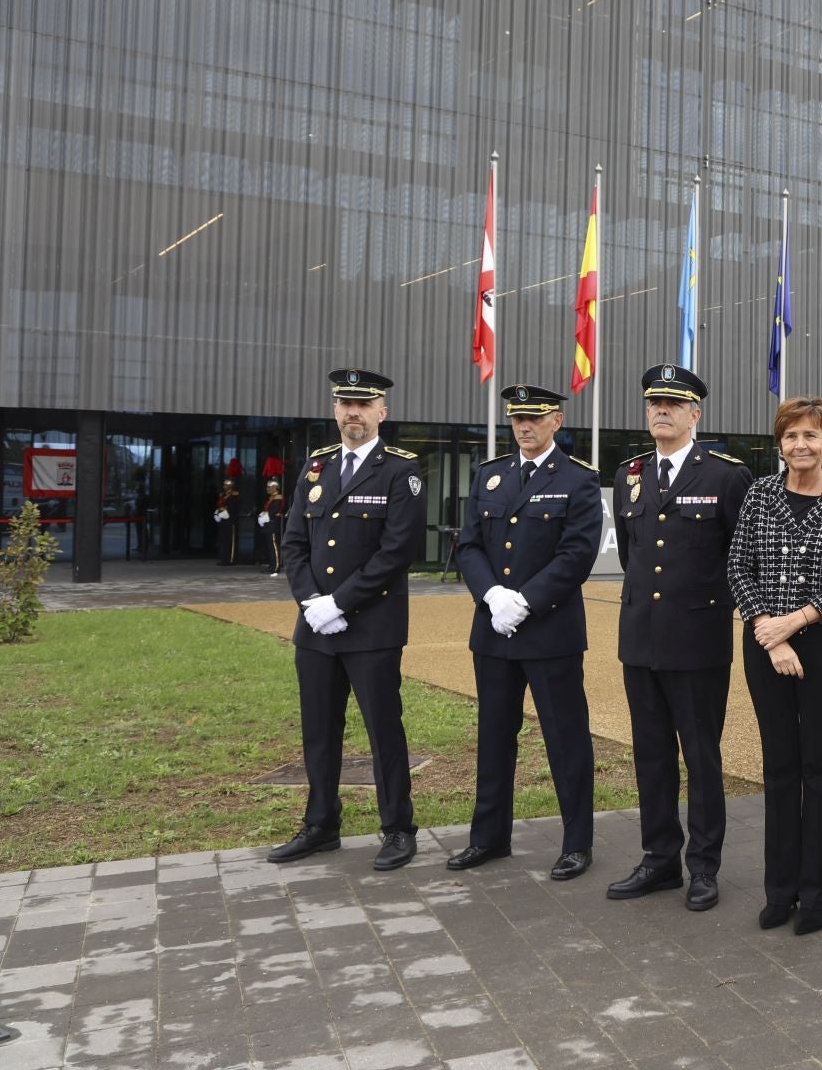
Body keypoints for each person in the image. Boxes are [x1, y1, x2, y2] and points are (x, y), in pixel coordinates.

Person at [606, 364, 753, 911]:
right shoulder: (631, 473)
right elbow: (631, 553)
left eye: (673, 404)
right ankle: (659, 859)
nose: (661, 412)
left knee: (701, 756)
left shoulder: (724, 475)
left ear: (696, 414)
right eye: (654, 404)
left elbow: (741, 558)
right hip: (640, 640)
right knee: (651, 756)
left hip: (697, 641)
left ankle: (704, 866)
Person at [727, 396, 822, 935]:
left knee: (820, 766)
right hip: (766, 646)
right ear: (780, 443)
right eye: (791, 436)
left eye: (811, 436)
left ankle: (818, 896)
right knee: (779, 768)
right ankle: (780, 890)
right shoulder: (759, 497)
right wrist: (771, 630)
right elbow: (738, 566)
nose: (801, 445)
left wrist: (796, 623)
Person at [270, 367, 424, 871]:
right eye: (345, 404)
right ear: (336, 410)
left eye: (364, 405)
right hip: (315, 627)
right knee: (318, 730)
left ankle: (398, 828)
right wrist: (312, 602)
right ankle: (320, 824)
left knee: (384, 730)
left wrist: (340, 603)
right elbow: (294, 544)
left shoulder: (401, 470)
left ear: (383, 412)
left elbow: (397, 550)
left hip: (371, 628)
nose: (353, 413)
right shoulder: (315, 468)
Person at [449, 384, 605, 881]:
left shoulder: (579, 480)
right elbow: (468, 545)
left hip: (550, 632)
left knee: (566, 739)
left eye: (534, 418)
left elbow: (577, 555)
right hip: (494, 630)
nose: (524, 426)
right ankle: (489, 838)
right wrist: (492, 596)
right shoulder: (490, 476)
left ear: (555, 422)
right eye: (517, 419)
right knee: (494, 736)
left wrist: (526, 601)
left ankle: (577, 842)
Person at [257, 479, 286, 576]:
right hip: (268, 524)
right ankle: (271, 565)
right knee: (269, 546)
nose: (267, 489)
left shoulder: (278, 498)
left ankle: (276, 566)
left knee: (273, 546)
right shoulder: (272, 498)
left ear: (274, 487)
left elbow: (273, 511)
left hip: (273, 524)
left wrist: (265, 516)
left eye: (269, 487)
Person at [214, 475, 240, 565]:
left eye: (226, 485)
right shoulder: (223, 495)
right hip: (223, 519)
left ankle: (231, 559)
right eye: (224, 484)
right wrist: (218, 512)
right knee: (223, 540)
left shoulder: (234, 495)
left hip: (230, 520)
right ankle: (224, 558)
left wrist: (225, 511)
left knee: (230, 540)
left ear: (230, 486)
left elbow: (233, 507)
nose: (224, 486)